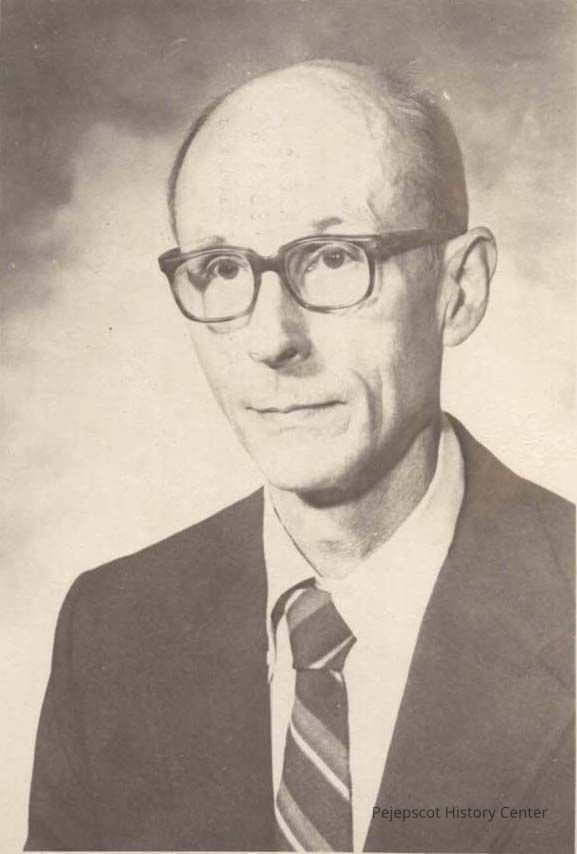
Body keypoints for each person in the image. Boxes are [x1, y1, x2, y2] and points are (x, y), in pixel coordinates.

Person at [25, 60, 574, 853]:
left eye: (333, 257)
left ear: (459, 289)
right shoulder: (112, 629)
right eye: (220, 269)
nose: (271, 338)